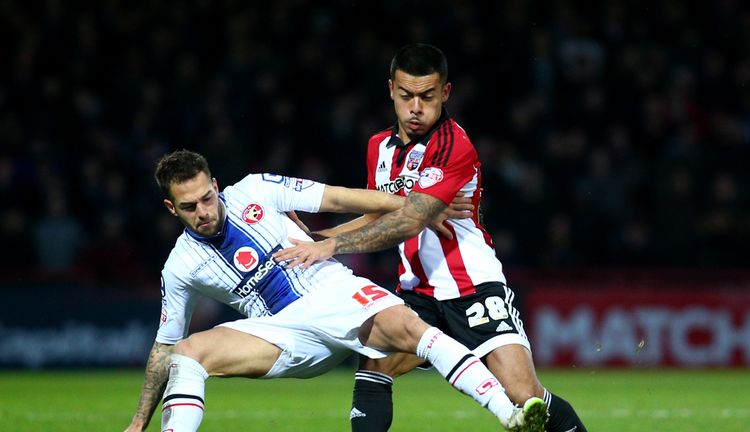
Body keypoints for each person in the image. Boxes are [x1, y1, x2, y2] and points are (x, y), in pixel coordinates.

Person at [274, 43, 587, 432]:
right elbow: (375, 214)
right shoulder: (378, 147)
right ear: (391, 90)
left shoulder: (453, 145)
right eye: (406, 96)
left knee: (524, 394)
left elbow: (408, 222)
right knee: (373, 365)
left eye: (427, 96)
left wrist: (332, 246)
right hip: (418, 294)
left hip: (473, 287)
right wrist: (315, 237)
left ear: (445, 93)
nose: (416, 107)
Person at [124, 149, 546, 432]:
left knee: (413, 330)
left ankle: (509, 415)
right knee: (186, 353)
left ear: (215, 184)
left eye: (206, 198)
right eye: (189, 207)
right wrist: (139, 421)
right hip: (283, 333)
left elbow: (344, 199)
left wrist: (419, 206)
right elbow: (163, 347)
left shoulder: (255, 189)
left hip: (334, 294)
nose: (203, 211)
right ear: (170, 208)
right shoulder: (179, 266)